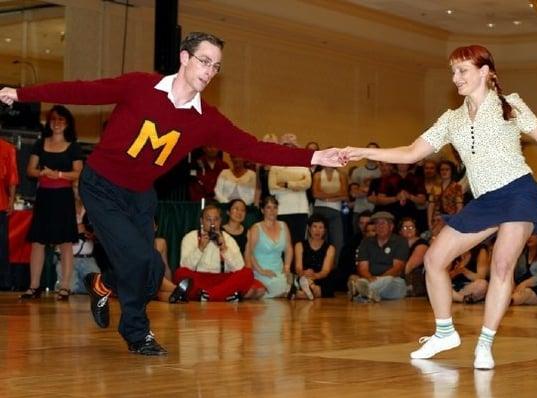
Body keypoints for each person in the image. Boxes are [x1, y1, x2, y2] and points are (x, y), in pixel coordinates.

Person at [0, 32, 342, 355]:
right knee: (143, 260)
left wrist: (313, 157)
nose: (209, 71)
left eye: (215, 66)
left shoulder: (207, 120)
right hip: (101, 186)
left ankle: (103, 284)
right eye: (204, 61)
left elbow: (254, 147)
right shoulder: (140, 86)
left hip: (139, 195)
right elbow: (83, 91)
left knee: (150, 273)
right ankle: (137, 333)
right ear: (184, 57)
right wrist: (22, 94)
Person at [344, 44, 537, 369]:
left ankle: (485, 343)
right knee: (434, 260)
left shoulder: (510, 105)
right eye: (453, 71)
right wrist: (362, 152)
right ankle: (445, 332)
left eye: (462, 70)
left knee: (502, 266)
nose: (455, 78)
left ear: (484, 72)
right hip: (485, 200)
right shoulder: (451, 120)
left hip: (519, 192)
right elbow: (411, 152)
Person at [20, 105, 84, 301]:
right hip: (44, 197)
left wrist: (58, 174)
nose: (57, 123)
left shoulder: (74, 147)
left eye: (61, 120)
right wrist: (42, 173)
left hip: (63, 197)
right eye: (53, 119)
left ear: (67, 123)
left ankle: (64, 286)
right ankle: (34, 286)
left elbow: (78, 172)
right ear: (49, 122)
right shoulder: (40, 144)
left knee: (65, 242)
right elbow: (30, 170)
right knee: (38, 242)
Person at [171, 204, 254, 302]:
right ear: (201, 221)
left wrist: (224, 248)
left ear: (220, 221)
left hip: (221, 280)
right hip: (199, 278)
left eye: (216, 219)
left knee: (247, 274)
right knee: (180, 273)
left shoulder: (227, 239)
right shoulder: (190, 237)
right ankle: (223, 295)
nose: (212, 223)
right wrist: (200, 248)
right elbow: (185, 266)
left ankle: (207, 296)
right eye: (209, 219)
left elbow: (239, 267)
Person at [349, 211, 409, 302]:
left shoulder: (400, 242)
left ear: (391, 226)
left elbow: (397, 268)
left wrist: (378, 280)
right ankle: (369, 294)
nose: (380, 226)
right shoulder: (366, 242)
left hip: (394, 282)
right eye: (377, 223)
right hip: (370, 279)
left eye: (383, 223)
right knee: (356, 277)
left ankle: (359, 290)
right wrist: (369, 278)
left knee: (388, 280)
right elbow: (362, 267)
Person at [246, 196, 293, 298]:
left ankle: (291, 290)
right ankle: (291, 291)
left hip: (279, 270)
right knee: (281, 285)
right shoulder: (256, 228)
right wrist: (261, 271)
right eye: (268, 207)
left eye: (275, 207)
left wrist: (287, 267)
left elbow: (289, 248)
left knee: (287, 281)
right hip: (261, 272)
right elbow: (249, 253)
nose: (272, 211)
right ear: (262, 210)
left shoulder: (283, 225)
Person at [291, 213, 335, 300]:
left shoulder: (330, 248)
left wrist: (314, 276)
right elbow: (298, 268)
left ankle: (305, 292)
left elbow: (325, 271)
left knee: (328, 286)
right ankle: (311, 289)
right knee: (299, 280)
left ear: (325, 230)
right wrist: (304, 273)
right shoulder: (299, 245)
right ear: (309, 229)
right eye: (314, 226)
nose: (317, 231)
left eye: (321, 227)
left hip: (320, 278)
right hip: (303, 276)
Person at [0, 138, 18, 290]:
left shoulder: (7, 148)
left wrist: (11, 200)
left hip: (0, 203)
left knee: (1, 245)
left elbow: (12, 176)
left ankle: (5, 282)